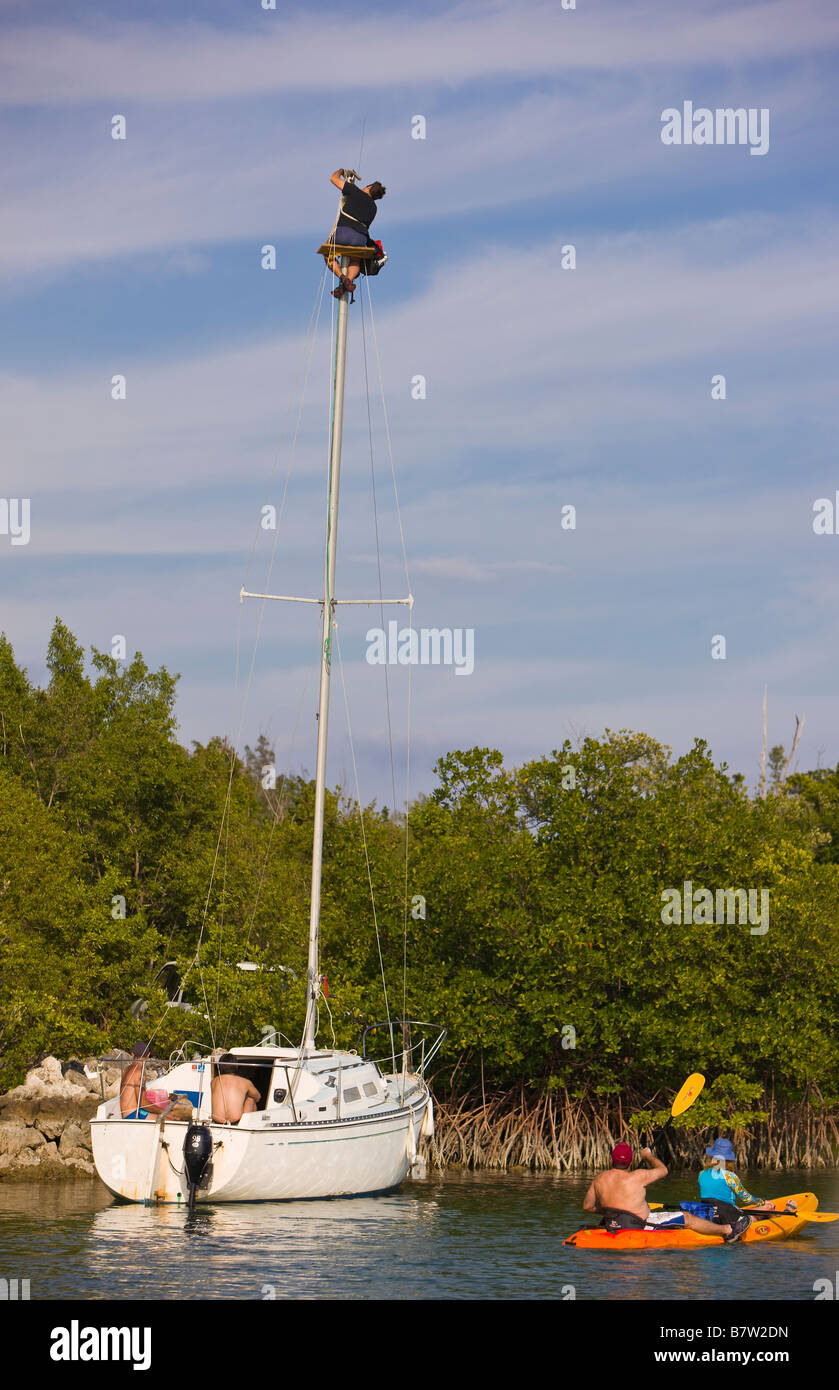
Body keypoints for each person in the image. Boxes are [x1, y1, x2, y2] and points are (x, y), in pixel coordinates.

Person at [582, 1142, 750, 1242]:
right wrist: (648, 1156)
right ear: (631, 1160)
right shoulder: (638, 1176)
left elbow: (588, 1206)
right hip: (641, 1225)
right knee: (687, 1217)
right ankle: (728, 1230)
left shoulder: (599, 1178)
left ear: (612, 1158)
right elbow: (663, 1170)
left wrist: (613, 1211)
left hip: (612, 1223)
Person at [687, 1138, 797, 1223]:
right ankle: (784, 1215)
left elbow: (713, 1195)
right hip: (728, 1218)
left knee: (737, 1208)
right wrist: (762, 1202)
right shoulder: (730, 1176)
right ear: (729, 1159)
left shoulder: (701, 1174)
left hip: (709, 1216)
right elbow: (747, 1199)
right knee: (768, 1207)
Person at [326, 168, 386, 299]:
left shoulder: (355, 192)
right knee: (355, 259)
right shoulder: (374, 209)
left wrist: (341, 171)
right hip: (359, 240)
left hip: (343, 234)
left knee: (328, 253)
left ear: (369, 187)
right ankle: (346, 283)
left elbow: (333, 178)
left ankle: (342, 277)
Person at [119, 1041, 170, 1119]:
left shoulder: (127, 1069)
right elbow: (143, 1103)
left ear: (132, 1054)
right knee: (170, 1118)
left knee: (164, 1114)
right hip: (132, 1115)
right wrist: (165, 1111)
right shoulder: (140, 1072)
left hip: (128, 1113)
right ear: (148, 1055)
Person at [211, 1053, 260, 1124]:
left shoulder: (214, 1081)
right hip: (235, 1121)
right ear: (236, 1066)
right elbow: (258, 1097)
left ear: (220, 1066)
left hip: (217, 1121)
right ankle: (249, 1124)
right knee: (251, 1099)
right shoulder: (245, 1082)